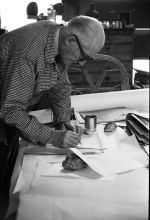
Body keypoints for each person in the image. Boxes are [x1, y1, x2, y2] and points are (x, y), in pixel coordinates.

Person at [0, 15, 105, 205]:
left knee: (12, 166)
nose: (82, 64)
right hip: (5, 111)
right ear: (70, 40)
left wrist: (63, 121)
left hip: (9, 108)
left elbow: (61, 86)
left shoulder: (56, 38)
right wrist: (52, 136)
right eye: (83, 57)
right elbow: (10, 111)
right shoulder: (27, 53)